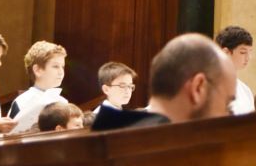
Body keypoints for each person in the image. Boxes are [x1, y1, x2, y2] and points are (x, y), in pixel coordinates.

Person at [92, 34, 236, 130]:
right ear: (198, 87)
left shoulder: (107, 129)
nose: (229, 115)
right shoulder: (158, 145)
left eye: (130, 86)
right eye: (227, 104)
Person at [9, 40, 68, 133]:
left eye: (63, 67)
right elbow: (8, 134)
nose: (61, 72)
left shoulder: (63, 102)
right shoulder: (22, 101)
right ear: (38, 70)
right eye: (56, 66)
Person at [215, 25, 254, 115]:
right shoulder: (209, 87)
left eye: (250, 52)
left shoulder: (245, 90)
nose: (248, 58)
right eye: (243, 52)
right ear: (225, 52)